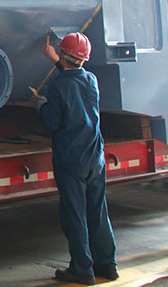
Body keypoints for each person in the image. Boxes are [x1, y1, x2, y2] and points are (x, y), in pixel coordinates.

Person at [35, 32, 118, 285]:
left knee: (75, 216)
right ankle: (107, 264)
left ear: (63, 55)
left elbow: (52, 122)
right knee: (98, 212)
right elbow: (74, 79)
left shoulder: (58, 86)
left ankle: (82, 268)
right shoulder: (91, 80)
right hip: (94, 157)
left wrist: (40, 105)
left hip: (71, 159)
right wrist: (57, 61)